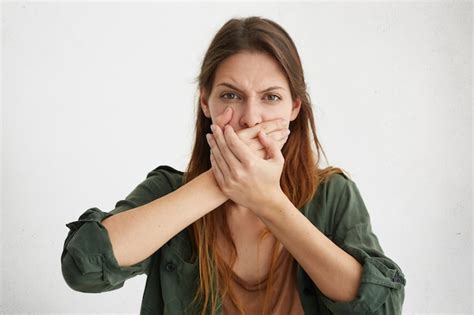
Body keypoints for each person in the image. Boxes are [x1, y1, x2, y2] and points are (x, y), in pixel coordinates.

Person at [61, 16, 406, 315]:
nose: (250, 118)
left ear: (294, 109)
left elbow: (382, 307)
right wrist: (221, 182)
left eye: (271, 97)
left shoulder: (333, 194)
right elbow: (83, 267)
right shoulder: (169, 191)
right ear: (206, 103)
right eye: (230, 96)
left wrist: (268, 201)